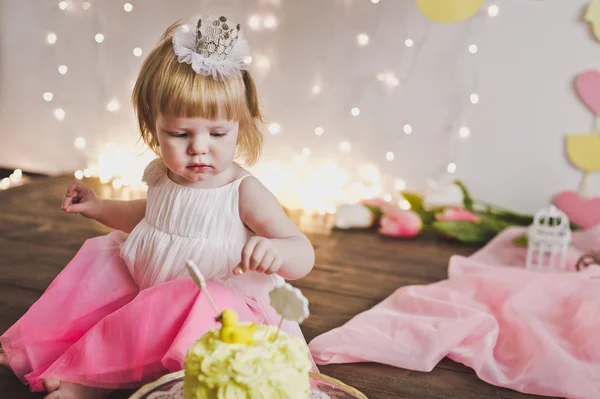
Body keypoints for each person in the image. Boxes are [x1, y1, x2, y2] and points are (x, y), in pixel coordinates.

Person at [0, 13, 315, 399]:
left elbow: (303, 255)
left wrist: (275, 250)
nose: (199, 147)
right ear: (152, 127)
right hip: (151, 293)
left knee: (179, 307)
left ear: (240, 126)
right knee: (102, 262)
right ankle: (63, 358)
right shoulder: (164, 176)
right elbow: (149, 217)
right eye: (180, 134)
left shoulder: (243, 191)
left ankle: (88, 384)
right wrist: (100, 207)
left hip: (218, 311)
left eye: (218, 133)